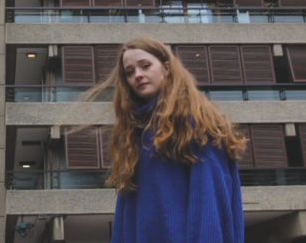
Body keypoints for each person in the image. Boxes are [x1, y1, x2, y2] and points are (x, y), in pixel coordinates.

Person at [82, 36, 245, 243]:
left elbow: (210, 206)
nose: (138, 75)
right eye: (130, 72)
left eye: (145, 66)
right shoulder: (135, 136)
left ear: (166, 68)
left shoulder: (196, 123)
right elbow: (127, 215)